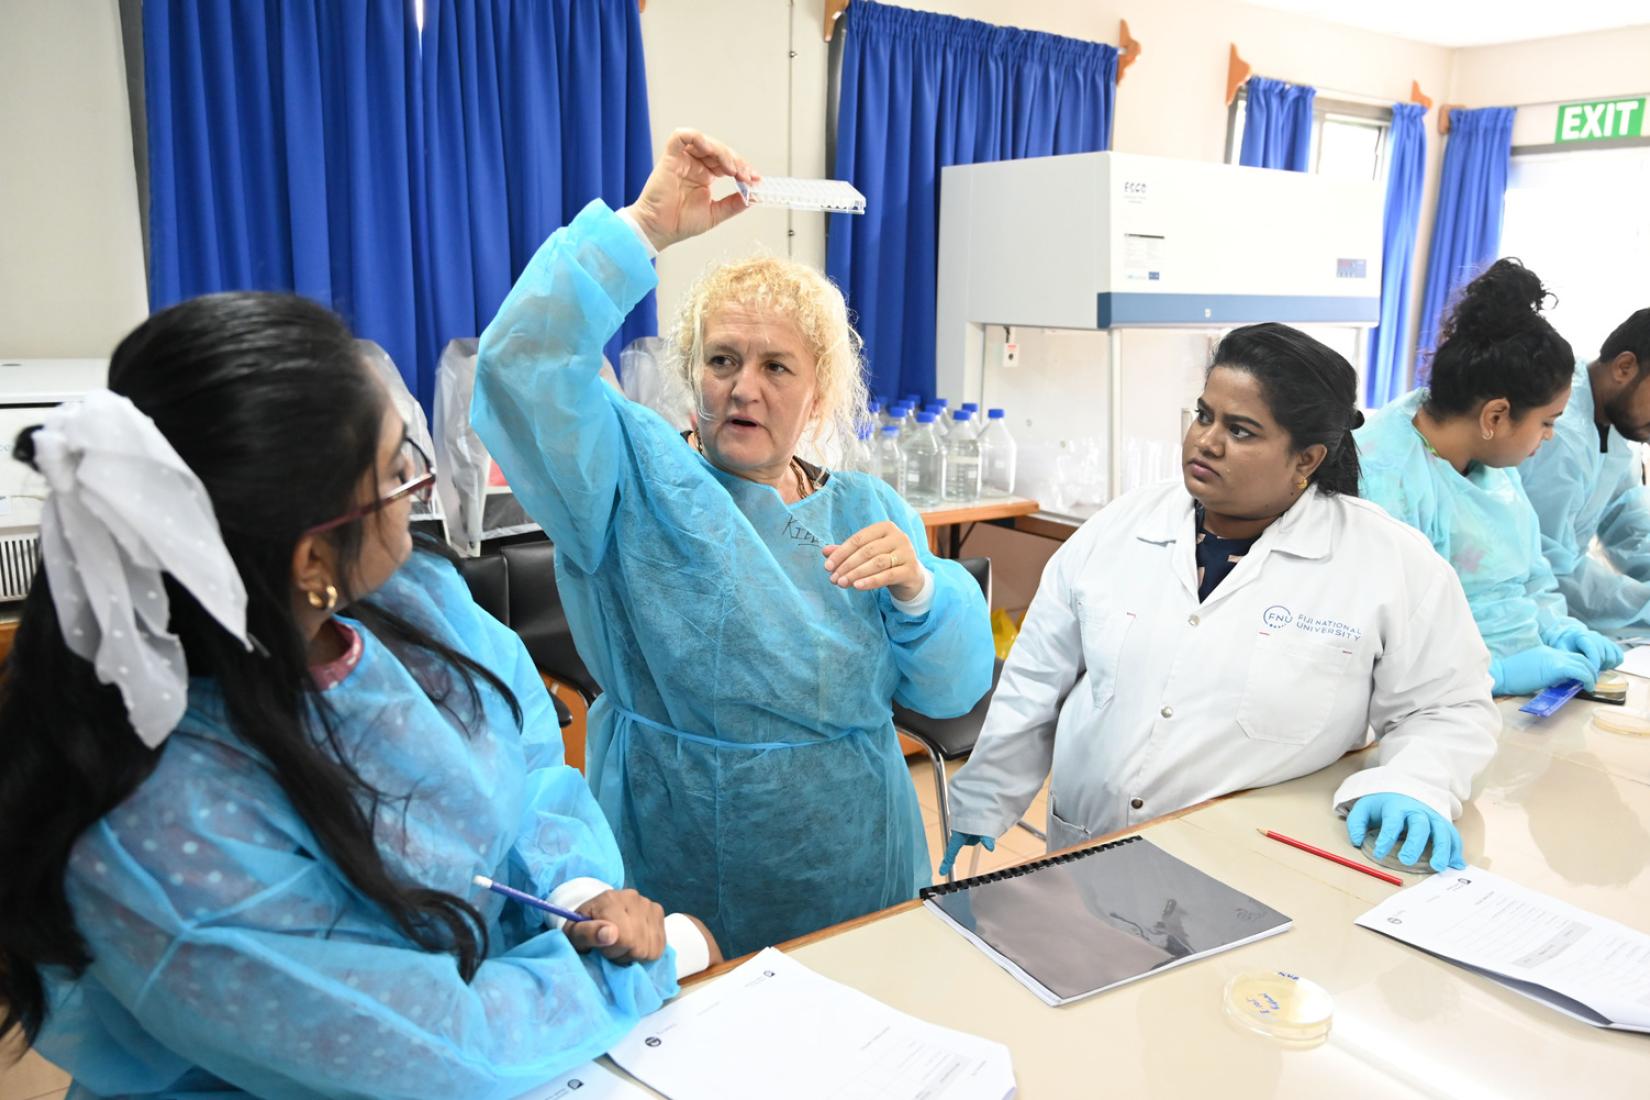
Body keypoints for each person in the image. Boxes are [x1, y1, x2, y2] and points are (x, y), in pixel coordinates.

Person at [0, 293, 719, 1099]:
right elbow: (438, 1050)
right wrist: (643, 969)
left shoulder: (409, 602)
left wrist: (574, 892)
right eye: (394, 473)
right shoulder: (165, 840)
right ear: (311, 560)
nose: (417, 490)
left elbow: (524, 759)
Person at [470, 129, 994, 958]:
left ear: (819, 393)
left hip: (853, 853)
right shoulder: (625, 481)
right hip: (674, 851)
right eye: (722, 360)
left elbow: (953, 685)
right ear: (694, 373)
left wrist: (921, 591)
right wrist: (643, 224)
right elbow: (520, 369)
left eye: (777, 367)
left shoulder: (865, 506)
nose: (744, 387)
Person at [942, 324, 1500, 876]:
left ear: (1307, 459)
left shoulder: (1386, 562)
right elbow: (1036, 678)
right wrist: (985, 798)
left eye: (1242, 430)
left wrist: (1414, 782)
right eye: (1205, 415)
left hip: (1254, 867)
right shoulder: (1118, 529)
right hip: (1091, 846)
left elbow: (1447, 706)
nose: (1206, 440)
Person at [1357, 260, 1623, 695]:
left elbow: (1530, 577)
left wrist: (1558, 628)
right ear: (1496, 415)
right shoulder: (1385, 482)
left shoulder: (1492, 466)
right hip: (1438, 701)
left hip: (1505, 688)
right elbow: (1381, 650)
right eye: (1547, 422)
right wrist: (1496, 675)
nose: (1551, 437)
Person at [1519, 308, 1650, 638]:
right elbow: (1544, 566)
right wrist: (1640, 603)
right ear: (1624, 367)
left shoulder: (1617, 418)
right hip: (1528, 610)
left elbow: (1626, 516)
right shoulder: (1558, 431)